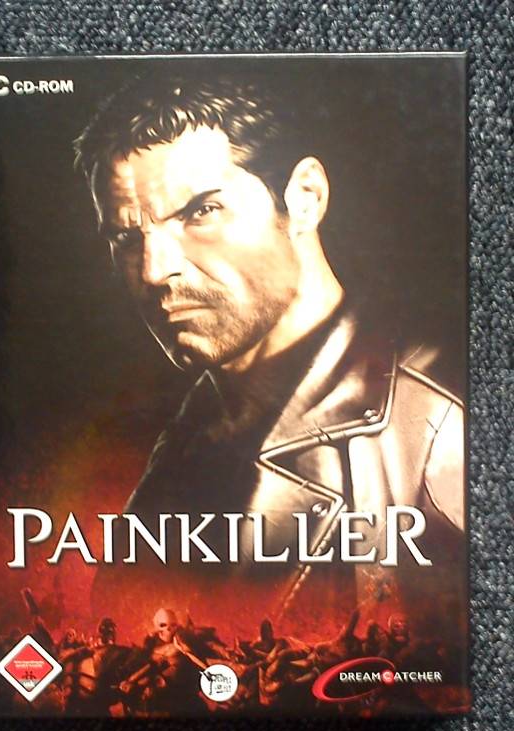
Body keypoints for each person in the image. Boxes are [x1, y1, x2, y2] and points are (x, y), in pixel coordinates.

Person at [74, 73, 465, 634]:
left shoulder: (440, 432)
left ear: (304, 199)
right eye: (125, 237)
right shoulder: (185, 439)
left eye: (200, 212)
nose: (155, 271)